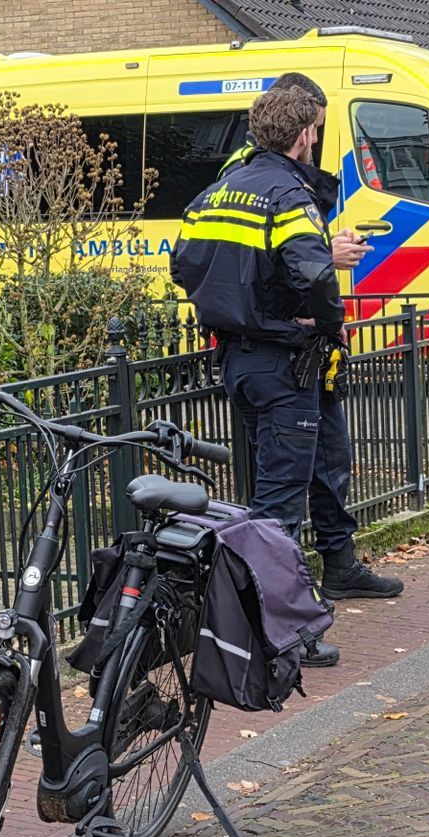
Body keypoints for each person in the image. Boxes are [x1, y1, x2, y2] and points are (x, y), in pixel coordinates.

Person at [171, 80, 401, 669]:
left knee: (298, 476)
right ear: (303, 135)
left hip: (241, 360)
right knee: (278, 509)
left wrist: (246, 305)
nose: (316, 140)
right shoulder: (288, 195)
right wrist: (324, 322)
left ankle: (330, 575)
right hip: (282, 362)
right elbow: (314, 276)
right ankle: (281, 633)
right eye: (316, 132)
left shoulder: (217, 192)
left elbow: (184, 266)